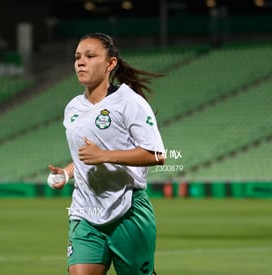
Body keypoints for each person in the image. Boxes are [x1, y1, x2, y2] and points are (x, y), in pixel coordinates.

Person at [47, 33, 166, 275]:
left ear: (110, 64)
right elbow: (86, 156)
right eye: (78, 57)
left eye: (90, 56)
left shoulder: (129, 102)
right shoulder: (72, 108)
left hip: (129, 211)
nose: (81, 62)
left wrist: (104, 155)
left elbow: (156, 155)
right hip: (85, 212)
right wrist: (68, 173)